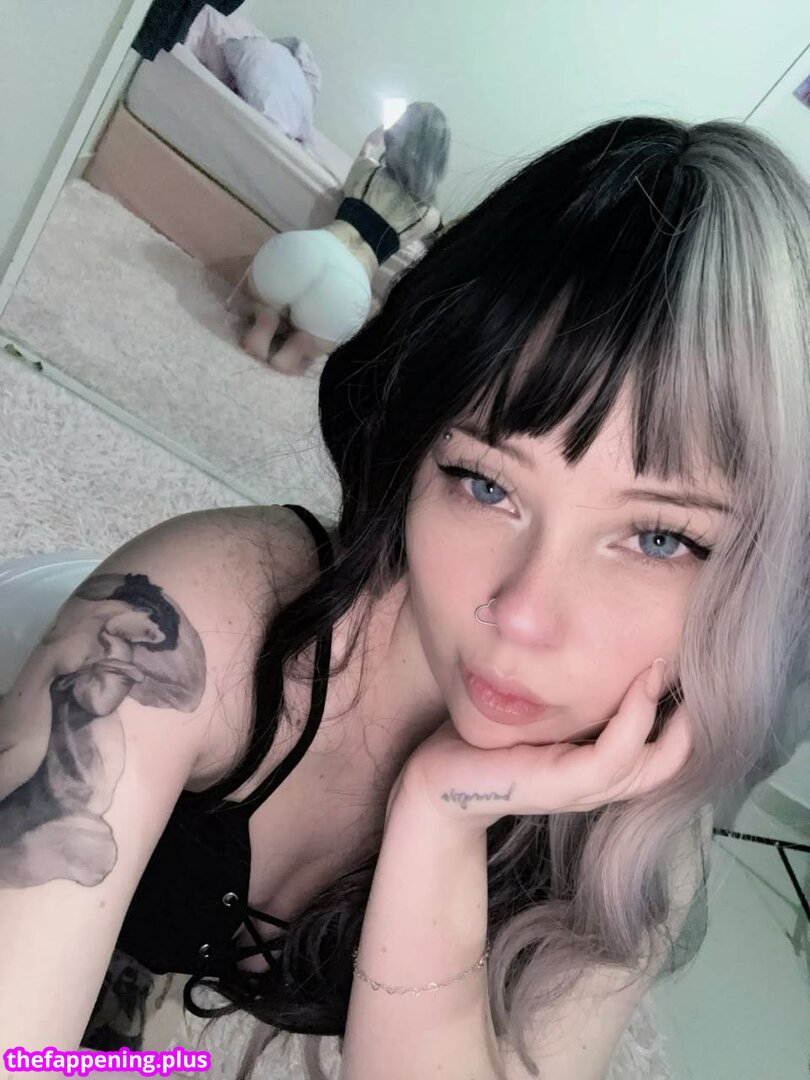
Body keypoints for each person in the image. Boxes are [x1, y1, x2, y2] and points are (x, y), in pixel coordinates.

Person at [1, 116, 808, 1080]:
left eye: (659, 538)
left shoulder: (637, 845)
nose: (523, 615)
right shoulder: (175, 635)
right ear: (416, 445)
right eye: (486, 484)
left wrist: (442, 814)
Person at [241, 102, 450, 374]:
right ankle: (300, 347)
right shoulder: (428, 216)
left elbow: (365, 156)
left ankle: (266, 319)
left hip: (307, 250)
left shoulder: (367, 171)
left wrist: (373, 139)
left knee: (265, 294)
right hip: (349, 286)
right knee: (324, 335)